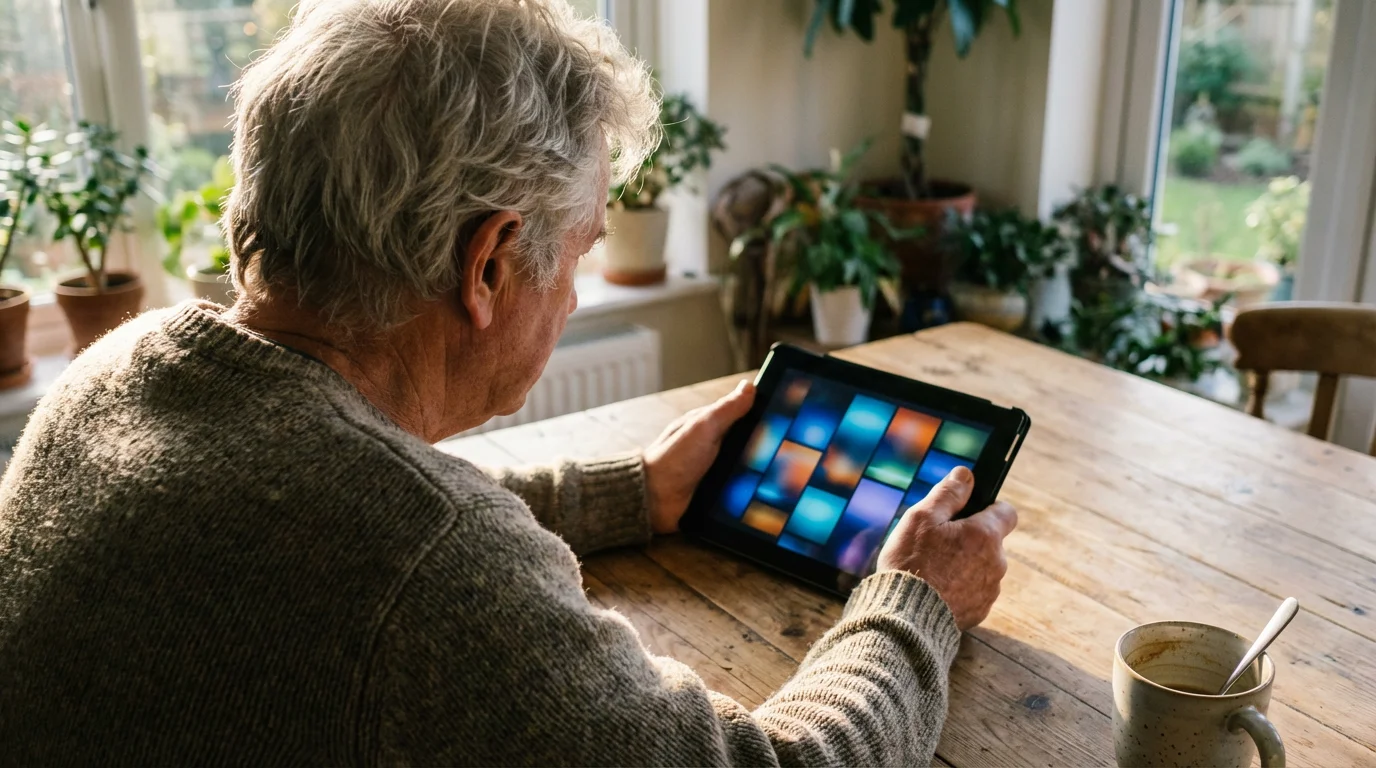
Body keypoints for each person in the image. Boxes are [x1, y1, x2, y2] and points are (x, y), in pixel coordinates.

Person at [0, 0, 1016, 764]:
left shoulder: (113, 374)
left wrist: (633, 492)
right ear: (487, 266)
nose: (572, 294)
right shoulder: (440, 574)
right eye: (576, 253)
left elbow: (315, 531)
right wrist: (912, 599)